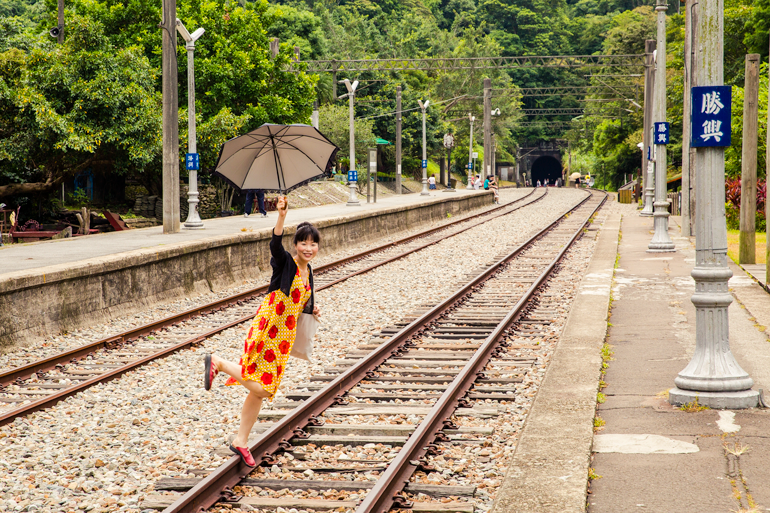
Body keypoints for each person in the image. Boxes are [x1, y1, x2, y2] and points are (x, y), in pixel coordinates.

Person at [203, 196, 320, 467]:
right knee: (265, 388)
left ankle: (241, 441)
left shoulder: (309, 270)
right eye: (303, 242)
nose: (308, 248)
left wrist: (312, 311)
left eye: (313, 243)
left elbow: (304, 303)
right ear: (296, 244)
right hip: (271, 326)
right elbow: (274, 245)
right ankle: (219, 363)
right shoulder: (287, 263)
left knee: (259, 392)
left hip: (285, 335)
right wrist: (280, 216)